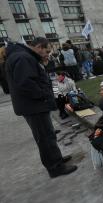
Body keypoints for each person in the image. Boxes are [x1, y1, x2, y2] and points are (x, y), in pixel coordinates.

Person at [5, 37, 77, 178]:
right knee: (45, 137)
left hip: (34, 105)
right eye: (47, 51)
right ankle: (55, 168)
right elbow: (26, 83)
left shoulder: (23, 56)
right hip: (34, 106)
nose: (48, 54)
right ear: (38, 46)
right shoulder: (23, 57)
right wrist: (44, 95)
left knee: (48, 134)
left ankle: (56, 159)